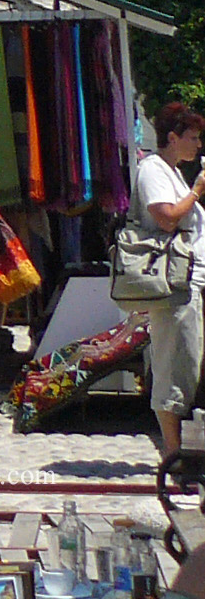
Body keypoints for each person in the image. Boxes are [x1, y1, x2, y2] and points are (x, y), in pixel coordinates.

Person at [135, 103, 205, 457]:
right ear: (172, 138)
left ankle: (186, 453)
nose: (198, 145)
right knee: (175, 367)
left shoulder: (171, 171)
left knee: (189, 364)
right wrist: (196, 191)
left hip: (189, 283)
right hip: (175, 285)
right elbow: (166, 218)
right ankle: (175, 454)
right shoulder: (153, 171)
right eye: (192, 138)